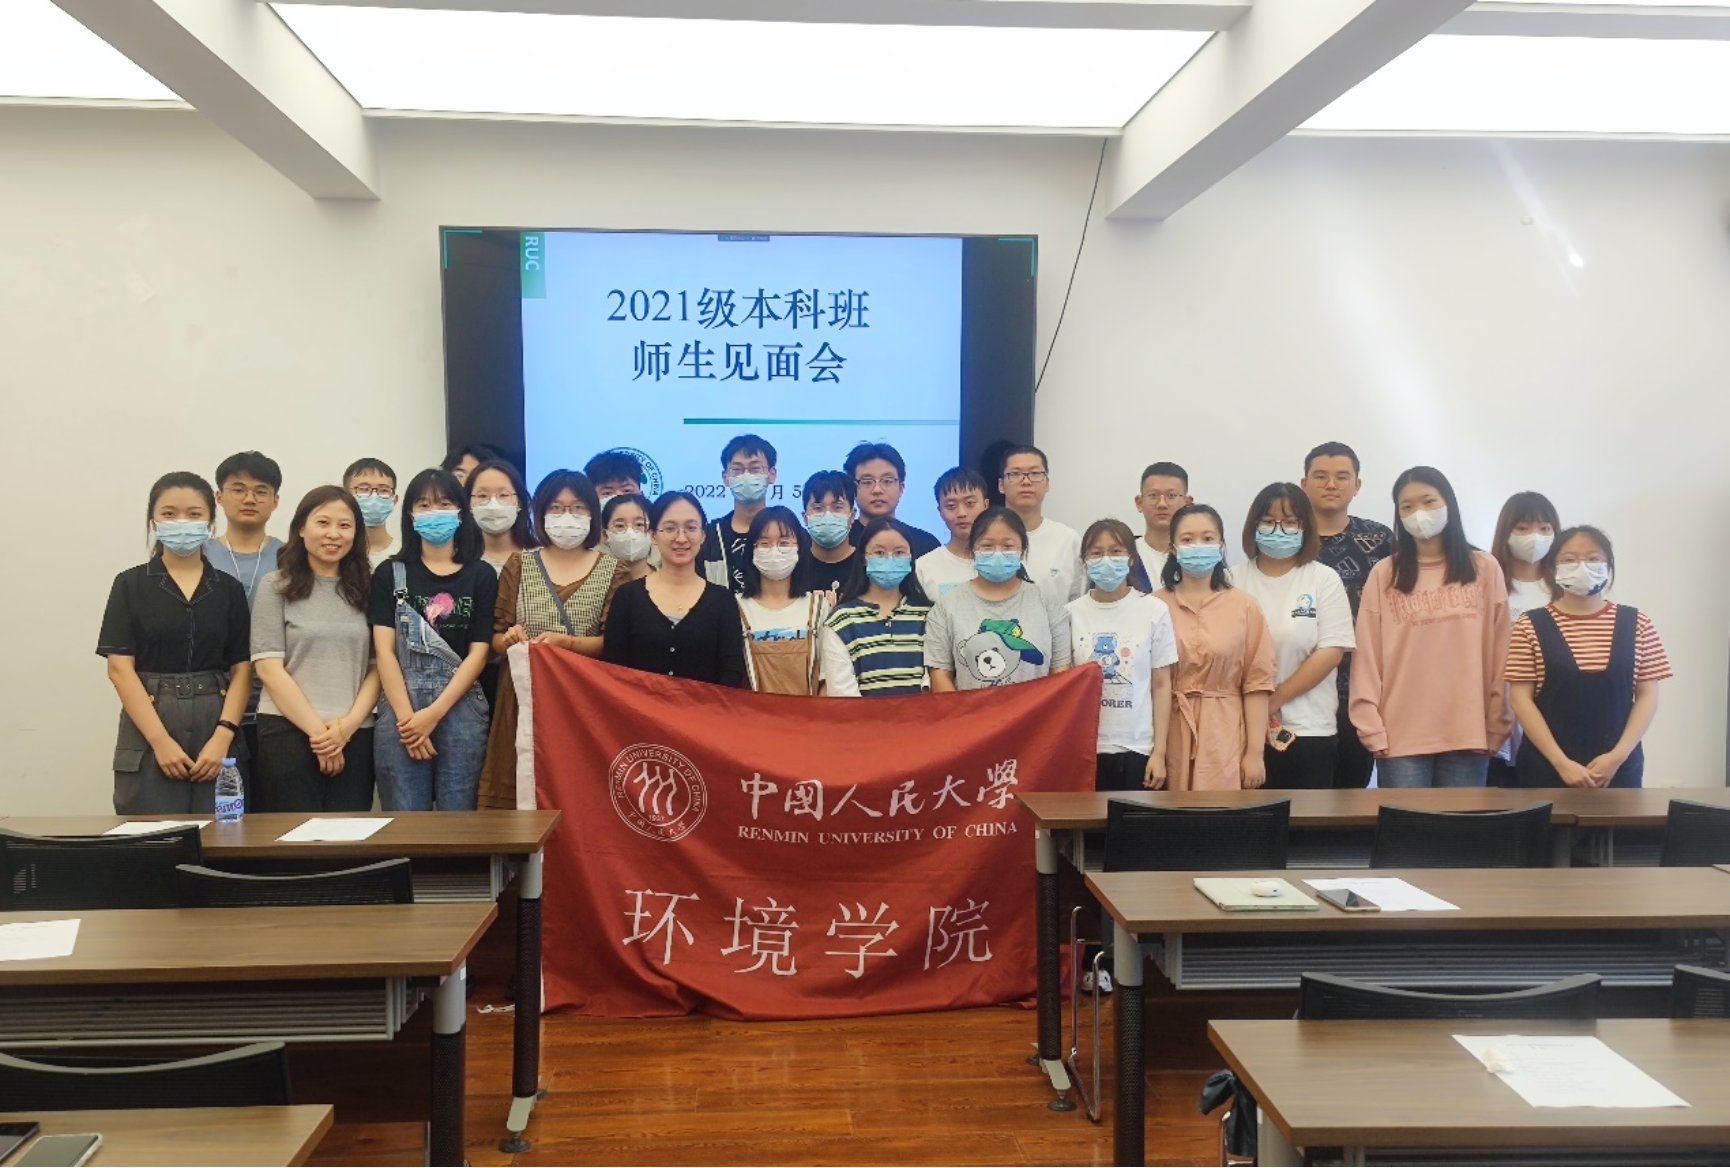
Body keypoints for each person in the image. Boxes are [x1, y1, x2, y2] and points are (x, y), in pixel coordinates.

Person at [97, 473, 252, 814]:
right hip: (151, 721)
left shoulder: (228, 588)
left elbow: (243, 669)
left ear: (210, 521)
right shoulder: (129, 584)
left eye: (194, 514)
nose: (182, 523)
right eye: (169, 513)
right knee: (151, 836)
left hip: (217, 721)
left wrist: (223, 736)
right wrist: (160, 742)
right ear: (153, 520)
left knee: (224, 835)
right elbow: (120, 669)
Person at [1350, 466, 1511, 788]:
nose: (1419, 513)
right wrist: (1369, 723)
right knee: (1405, 822)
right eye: (1407, 506)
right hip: (1399, 734)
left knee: (1461, 822)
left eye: (1428, 501)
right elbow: (1367, 654)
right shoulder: (1385, 573)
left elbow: (1502, 650)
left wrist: (1499, 720)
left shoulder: (1484, 568)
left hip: (1469, 731)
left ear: (1448, 503)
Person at [479, 470, 624, 809]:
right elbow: (494, 639)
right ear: (541, 513)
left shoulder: (614, 570)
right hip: (522, 699)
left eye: (578, 508)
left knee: (580, 794)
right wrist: (509, 638)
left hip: (583, 702)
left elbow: (612, 644)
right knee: (519, 792)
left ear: (593, 514)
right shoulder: (519, 564)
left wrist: (566, 644)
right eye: (556, 508)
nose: (567, 517)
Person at [368, 468, 497, 811]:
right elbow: (385, 652)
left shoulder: (481, 574)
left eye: (444, 503)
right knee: (405, 820)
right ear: (410, 515)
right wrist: (409, 722)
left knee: (460, 819)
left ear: (461, 512)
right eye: (423, 505)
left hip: (461, 705)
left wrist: (434, 714)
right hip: (401, 708)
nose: (433, 512)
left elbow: (479, 653)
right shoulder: (389, 573)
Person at [1507, 526, 1670, 789]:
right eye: (1569, 559)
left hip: (1619, 768)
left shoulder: (1638, 623)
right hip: (1546, 768)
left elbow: (1647, 695)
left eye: (1593, 558)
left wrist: (1617, 757)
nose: (1582, 566)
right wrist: (1561, 762)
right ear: (1553, 567)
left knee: (1621, 818)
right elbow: (1520, 699)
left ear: (1609, 566)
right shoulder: (1529, 625)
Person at [250, 486, 380, 813]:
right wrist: (320, 735)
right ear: (301, 528)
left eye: (344, 525)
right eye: (323, 522)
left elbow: (379, 667)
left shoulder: (370, 587)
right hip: (286, 729)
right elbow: (268, 668)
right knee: (292, 835)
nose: (333, 534)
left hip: (355, 732)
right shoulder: (275, 585)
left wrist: (345, 729)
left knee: (350, 836)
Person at [1230, 485, 1355, 790]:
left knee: (1307, 819)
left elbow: (1331, 651)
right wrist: (1254, 713)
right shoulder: (1231, 580)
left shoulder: (1323, 578)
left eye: (1289, 522)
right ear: (1253, 525)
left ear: (1305, 527)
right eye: (1268, 521)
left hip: (1309, 730)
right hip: (1239, 729)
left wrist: (1274, 701)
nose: (1278, 530)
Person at [1156, 504, 1277, 790]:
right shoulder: (1154, 606)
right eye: (1187, 539)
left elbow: (1257, 683)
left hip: (1225, 730)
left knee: (1220, 812)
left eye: (1207, 538)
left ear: (1221, 545)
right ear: (1173, 548)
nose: (1198, 546)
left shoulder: (1245, 606)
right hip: (1167, 728)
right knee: (1167, 813)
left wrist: (1255, 753)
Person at [1300, 441, 1396, 789]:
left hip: (1361, 687)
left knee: (1350, 790)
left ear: (1357, 485)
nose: (1331, 484)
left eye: (1342, 476)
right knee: (1300, 793)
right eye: (1320, 476)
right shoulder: (1288, 538)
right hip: (1299, 688)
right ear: (1304, 484)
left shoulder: (1380, 539)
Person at [1067, 518, 1176, 792]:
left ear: (1131, 558)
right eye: (1096, 553)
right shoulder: (1069, 614)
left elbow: (1162, 685)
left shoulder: (1154, 610)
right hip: (1085, 748)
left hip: (1138, 748)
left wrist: (1159, 753)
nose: (1106, 560)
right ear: (1084, 562)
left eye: (1115, 551)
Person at [605, 491, 747, 686]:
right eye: (670, 528)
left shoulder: (722, 600)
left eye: (691, 528)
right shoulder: (627, 597)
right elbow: (614, 672)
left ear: (703, 535)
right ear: (653, 535)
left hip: (706, 706)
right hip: (638, 706)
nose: (681, 538)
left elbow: (731, 673)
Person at [927, 506, 1073, 692]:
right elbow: (940, 675)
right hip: (969, 711)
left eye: (1008, 546)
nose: (997, 553)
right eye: (987, 546)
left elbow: (1061, 674)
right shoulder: (946, 607)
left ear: (1022, 550)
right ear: (972, 550)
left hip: (1036, 711)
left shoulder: (1048, 605)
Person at [205, 450, 286, 770]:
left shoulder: (292, 557)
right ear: (219, 496)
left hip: (277, 709)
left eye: (261, 491)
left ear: (275, 501)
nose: (249, 498)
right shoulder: (198, 556)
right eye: (238, 489)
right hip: (212, 710)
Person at [1488, 491, 1562, 786]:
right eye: (1522, 528)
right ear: (1505, 532)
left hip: (1550, 706)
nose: (1534, 537)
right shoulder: (1489, 584)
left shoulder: (1564, 588)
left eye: (1544, 528)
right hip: (1498, 704)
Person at [820, 519, 934, 698]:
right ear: (863, 558)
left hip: (921, 715)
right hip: (860, 716)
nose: (889, 559)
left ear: (911, 558)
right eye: (879, 552)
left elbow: (933, 681)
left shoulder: (929, 616)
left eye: (899, 552)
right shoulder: (841, 620)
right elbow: (842, 693)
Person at [737, 505, 830, 695]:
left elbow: (828, 677)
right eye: (764, 543)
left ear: (799, 548)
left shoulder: (818, 607)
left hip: (809, 712)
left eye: (784, 542)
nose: (774, 550)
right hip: (752, 713)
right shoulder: (736, 607)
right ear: (751, 550)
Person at [999, 445, 1082, 607]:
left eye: (1035, 473)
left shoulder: (1068, 540)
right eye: (1015, 474)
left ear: (1047, 483)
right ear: (1001, 485)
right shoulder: (986, 540)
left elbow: (1079, 602)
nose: (1026, 481)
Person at [701, 434, 776, 594]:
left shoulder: (791, 535)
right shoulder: (708, 537)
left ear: (772, 474)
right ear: (725, 477)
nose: (746, 475)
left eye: (755, 468)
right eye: (737, 470)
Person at [845, 442, 940, 557]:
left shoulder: (926, 545)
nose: (877, 490)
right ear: (852, 488)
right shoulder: (841, 543)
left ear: (901, 488)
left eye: (887, 481)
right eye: (867, 482)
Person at [916, 467, 989, 601]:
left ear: (985, 505)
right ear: (940, 511)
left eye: (970, 503)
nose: (961, 513)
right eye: (950, 506)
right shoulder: (923, 568)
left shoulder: (1003, 561)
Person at [466, 458, 536, 574]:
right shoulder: (459, 561)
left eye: (503, 495)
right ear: (469, 504)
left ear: (519, 502)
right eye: (482, 496)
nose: (493, 506)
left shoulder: (542, 559)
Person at [797, 470, 859, 599]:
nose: (828, 515)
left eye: (837, 507)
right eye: (818, 508)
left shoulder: (867, 566)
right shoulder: (792, 566)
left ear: (852, 515)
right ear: (805, 517)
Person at [1132, 462, 1191, 586]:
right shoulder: (1123, 555)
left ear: (1187, 503)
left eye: (1171, 496)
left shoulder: (1201, 556)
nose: (1162, 504)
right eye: (1153, 495)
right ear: (1139, 503)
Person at [344, 457, 400, 567]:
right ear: (346, 496)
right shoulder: (336, 552)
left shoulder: (405, 554)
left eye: (384, 490)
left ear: (394, 499)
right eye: (364, 489)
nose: (374, 497)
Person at [601, 492, 655, 583]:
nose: (630, 533)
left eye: (639, 524)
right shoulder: (595, 584)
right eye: (620, 526)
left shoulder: (668, 582)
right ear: (605, 535)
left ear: (653, 533)